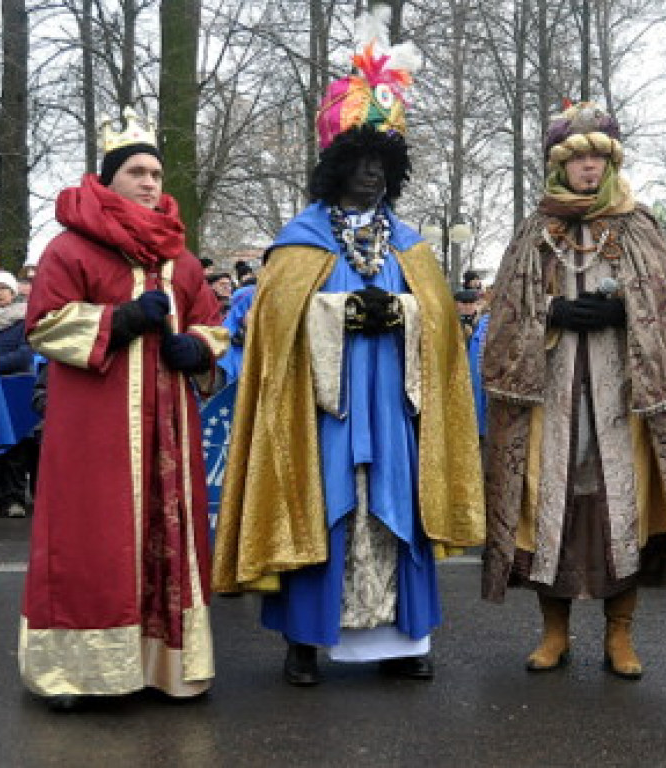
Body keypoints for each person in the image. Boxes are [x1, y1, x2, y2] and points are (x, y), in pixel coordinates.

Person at [213, 19, 484, 687]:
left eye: (381, 163)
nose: (370, 173)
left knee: (398, 511)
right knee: (322, 507)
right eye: (360, 161)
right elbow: (273, 335)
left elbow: (445, 337)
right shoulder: (298, 241)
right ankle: (304, 641)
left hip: (394, 406)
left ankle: (402, 641)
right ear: (337, 164)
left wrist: (406, 312)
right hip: (321, 414)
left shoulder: (412, 246)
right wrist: (333, 314)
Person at [481, 101, 666, 680]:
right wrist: (554, 310)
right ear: (560, 167)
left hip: (624, 400)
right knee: (550, 509)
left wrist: (623, 312)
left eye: (599, 158)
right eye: (579, 158)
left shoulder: (640, 225)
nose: (590, 167)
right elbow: (507, 316)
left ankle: (620, 634)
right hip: (552, 397)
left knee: (622, 509)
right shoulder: (535, 229)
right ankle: (554, 632)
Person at [18, 107, 228, 708]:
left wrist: (198, 349)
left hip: (169, 432)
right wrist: (120, 321)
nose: (150, 183)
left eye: (157, 174)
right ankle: (83, 673)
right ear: (109, 179)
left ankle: (168, 667)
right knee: (92, 538)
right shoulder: (71, 248)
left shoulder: (182, 262)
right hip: (94, 431)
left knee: (170, 537)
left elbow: (215, 331)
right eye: (137, 171)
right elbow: (43, 325)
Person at [0, 271, 33, 519]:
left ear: (13, 293)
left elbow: (24, 355)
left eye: (3, 288)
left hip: (16, 389)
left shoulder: (25, 321)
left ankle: (15, 498)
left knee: (17, 445)